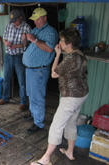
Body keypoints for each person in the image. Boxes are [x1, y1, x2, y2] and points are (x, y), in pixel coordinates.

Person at [30, 27, 89, 165]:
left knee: (56, 125)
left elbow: (54, 73)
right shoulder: (80, 54)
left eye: (62, 41)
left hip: (71, 97)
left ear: (69, 43)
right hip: (82, 94)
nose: (59, 43)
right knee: (71, 122)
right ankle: (70, 152)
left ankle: (46, 159)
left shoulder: (72, 58)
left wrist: (57, 55)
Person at [22, 7, 58, 134]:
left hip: (39, 70)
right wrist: (25, 40)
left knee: (37, 96)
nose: (35, 22)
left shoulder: (50, 32)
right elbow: (27, 46)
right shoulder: (35, 30)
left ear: (44, 18)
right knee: (31, 95)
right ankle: (33, 114)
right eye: (34, 20)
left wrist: (34, 39)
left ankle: (38, 123)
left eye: (37, 19)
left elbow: (49, 49)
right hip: (30, 69)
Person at [0, 9, 31, 111]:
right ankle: (5, 98)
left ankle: (23, 102)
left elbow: (28, 44)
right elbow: (4, 38)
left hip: (19, 56)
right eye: (13, 20)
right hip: (8, 55)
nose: (14, 22)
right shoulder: (9, 25)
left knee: (22, 81)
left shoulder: (27, 28)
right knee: (6, 79)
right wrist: (6, 42)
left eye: (16, 20)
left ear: (21, 18)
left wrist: (18, 46)